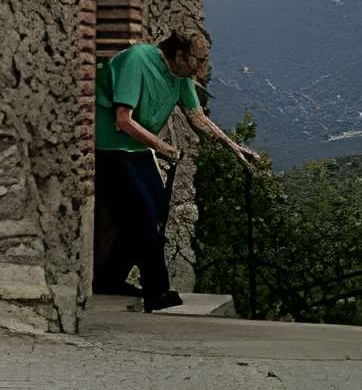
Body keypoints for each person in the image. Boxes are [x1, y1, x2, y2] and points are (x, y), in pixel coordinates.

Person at [94, 26, 259, 313]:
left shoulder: (181, 76)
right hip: (110, 145)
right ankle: (157, 292)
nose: (201, 68)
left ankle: (109, 279)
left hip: (136, 148)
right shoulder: (137, 60)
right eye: (198, 60)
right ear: (179, 54)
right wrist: (162, 147)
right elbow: (123, 119)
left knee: (153, 213)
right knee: (144, 216)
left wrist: (234, 147)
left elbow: (197, 118)